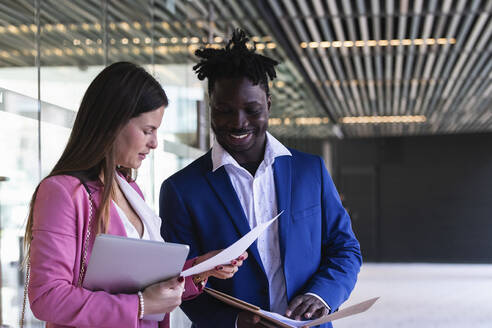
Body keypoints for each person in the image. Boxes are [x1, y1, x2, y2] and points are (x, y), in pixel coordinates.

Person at [159, 30, 362, 328]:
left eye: (251, 109)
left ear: (268, 103)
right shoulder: (181, 189)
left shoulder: (311, 171)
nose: (238, 123)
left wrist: (322, 295)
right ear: (210, 106)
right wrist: (236, 321)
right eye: (224, 110)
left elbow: (345, 248)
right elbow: (179, 279)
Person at [23, 62, 247, 328]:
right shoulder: (63, 192)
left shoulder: (131, 190)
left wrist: (199, 269)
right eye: (147, 130)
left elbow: (145, 286)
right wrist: (140, 305)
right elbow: (48, 297)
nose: (154, 143)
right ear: (113, 123)